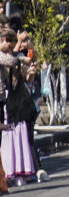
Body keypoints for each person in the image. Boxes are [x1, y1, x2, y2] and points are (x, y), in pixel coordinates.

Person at [1, 29, 39, 187]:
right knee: (6, 135)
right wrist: (22, 58)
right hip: (5, 99)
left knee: (9, 134)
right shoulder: (2, 56)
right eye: (10, 45)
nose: (11, 49)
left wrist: (27, 63)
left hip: (8, 99)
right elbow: (11, 61)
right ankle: (7, 173)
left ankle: (12, 173)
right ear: (3, 39)